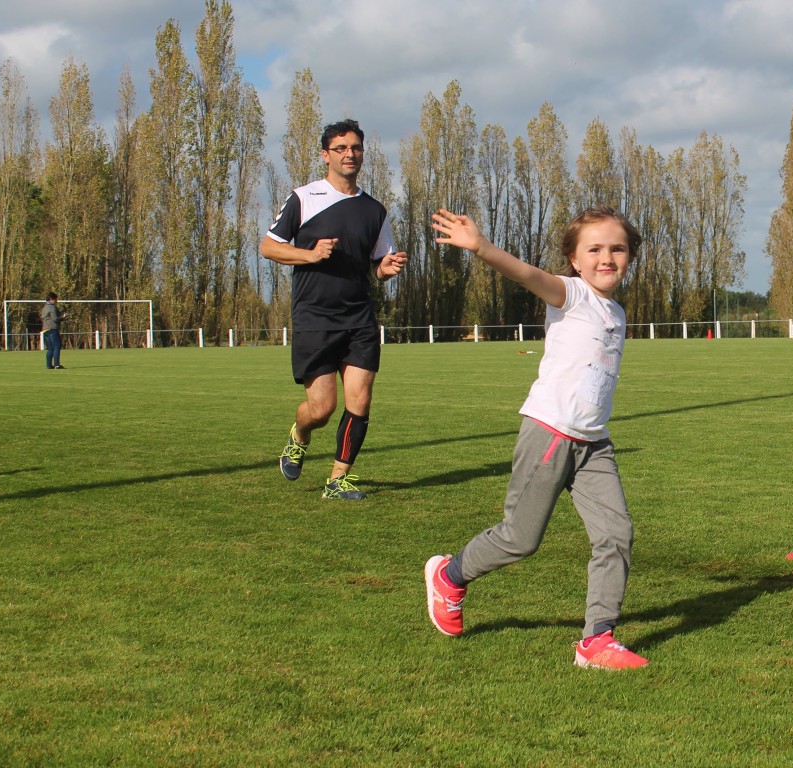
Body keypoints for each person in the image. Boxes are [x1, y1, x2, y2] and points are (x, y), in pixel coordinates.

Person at [424, 206, 649, 670]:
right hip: (549, 433)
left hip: (594, 444)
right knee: (520, 539)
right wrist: (481, 247)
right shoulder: (570, 294)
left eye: (618, 249)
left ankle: (597, 640)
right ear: (574, 259)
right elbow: (526, 274)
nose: (607, 258)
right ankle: (450, 574)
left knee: (616, 534)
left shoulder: (616, 311)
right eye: (594, 249)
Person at [260, 119, 407, 500]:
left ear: (363, 154)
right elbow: (269, 246)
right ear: (326, 155)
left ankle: (338, 480)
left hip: (359, 317)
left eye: (355, 148)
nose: (349, 154)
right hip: (314, 318)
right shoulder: (303, 198)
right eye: (340, 148)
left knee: (361, 399)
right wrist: (309, 255)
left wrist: (386, 268)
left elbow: (377, 266)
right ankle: (300, 435)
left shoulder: (375, 210)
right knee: (321, 409)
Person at [41, 292, 66, 369]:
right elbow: (55, 319)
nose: (57, 301)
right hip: (52, 329)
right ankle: (57, 365)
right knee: (57, 346)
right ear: (51, 299)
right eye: (56, 299)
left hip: (46, 329)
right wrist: (62, 318)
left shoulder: (45, 307)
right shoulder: (52, 307)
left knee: (51, 348)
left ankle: (49, 365)